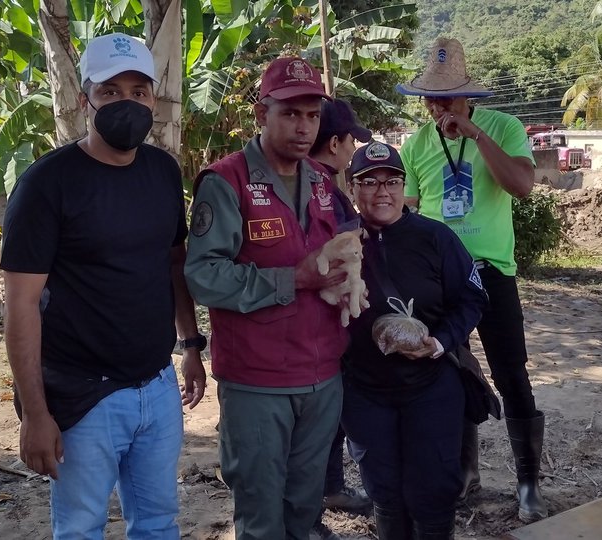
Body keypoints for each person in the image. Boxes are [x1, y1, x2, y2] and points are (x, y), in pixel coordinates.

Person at [0, 33, 207, 540]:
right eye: (110, 91)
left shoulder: (162, 170)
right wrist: (35, 413)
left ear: (153, 98)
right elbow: (21, 304)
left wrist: (190, 344)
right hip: (83, 395)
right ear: (83, 98)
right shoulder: (47, 184)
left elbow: (173, 261)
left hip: (157, 388)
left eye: (139, 91)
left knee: (159, 523)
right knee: (81, 528)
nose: (127, 102)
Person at [184, 56, 349, 540]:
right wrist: (292, 279)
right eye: (290, 113)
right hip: (258, 383)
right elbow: (204, 276)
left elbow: (332, 259)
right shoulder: (226, 181)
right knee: (260, 518)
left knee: (304, 511)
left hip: (322, 376)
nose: (303, 127)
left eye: (312, 115)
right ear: (262, 113)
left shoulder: (321, 181)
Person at [395, 36, 546, 520]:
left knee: (511, 374)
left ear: (469, 97)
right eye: (431, 100)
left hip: (491, 273)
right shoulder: (416, 145)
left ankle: (528, 485)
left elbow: (522, 187)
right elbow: (411, 214)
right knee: (449, 375)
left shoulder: (503, 127)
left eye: (447, 98)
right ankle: (465, 476)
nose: (438, 108)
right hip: (440, 279)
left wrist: (477, 137)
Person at [340, 141, 487, 539]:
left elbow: (472, 298)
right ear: (352, 189)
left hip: (431, 386)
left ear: (405, 186)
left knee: (433, 492)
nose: (382, 191)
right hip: (365, 390)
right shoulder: (340, 242)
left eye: (392, 180)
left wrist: (440, 341)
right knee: (385, 492)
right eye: (368, 182)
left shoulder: (435, 238)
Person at [308, 97, 374, 521]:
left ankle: (329, 488)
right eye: (352, 141)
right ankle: (313, 510)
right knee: (318, 424)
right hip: (320, 326)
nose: (354, 150)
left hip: (321, 326)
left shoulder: (316, 182)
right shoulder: (322, 190)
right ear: (335, 143)